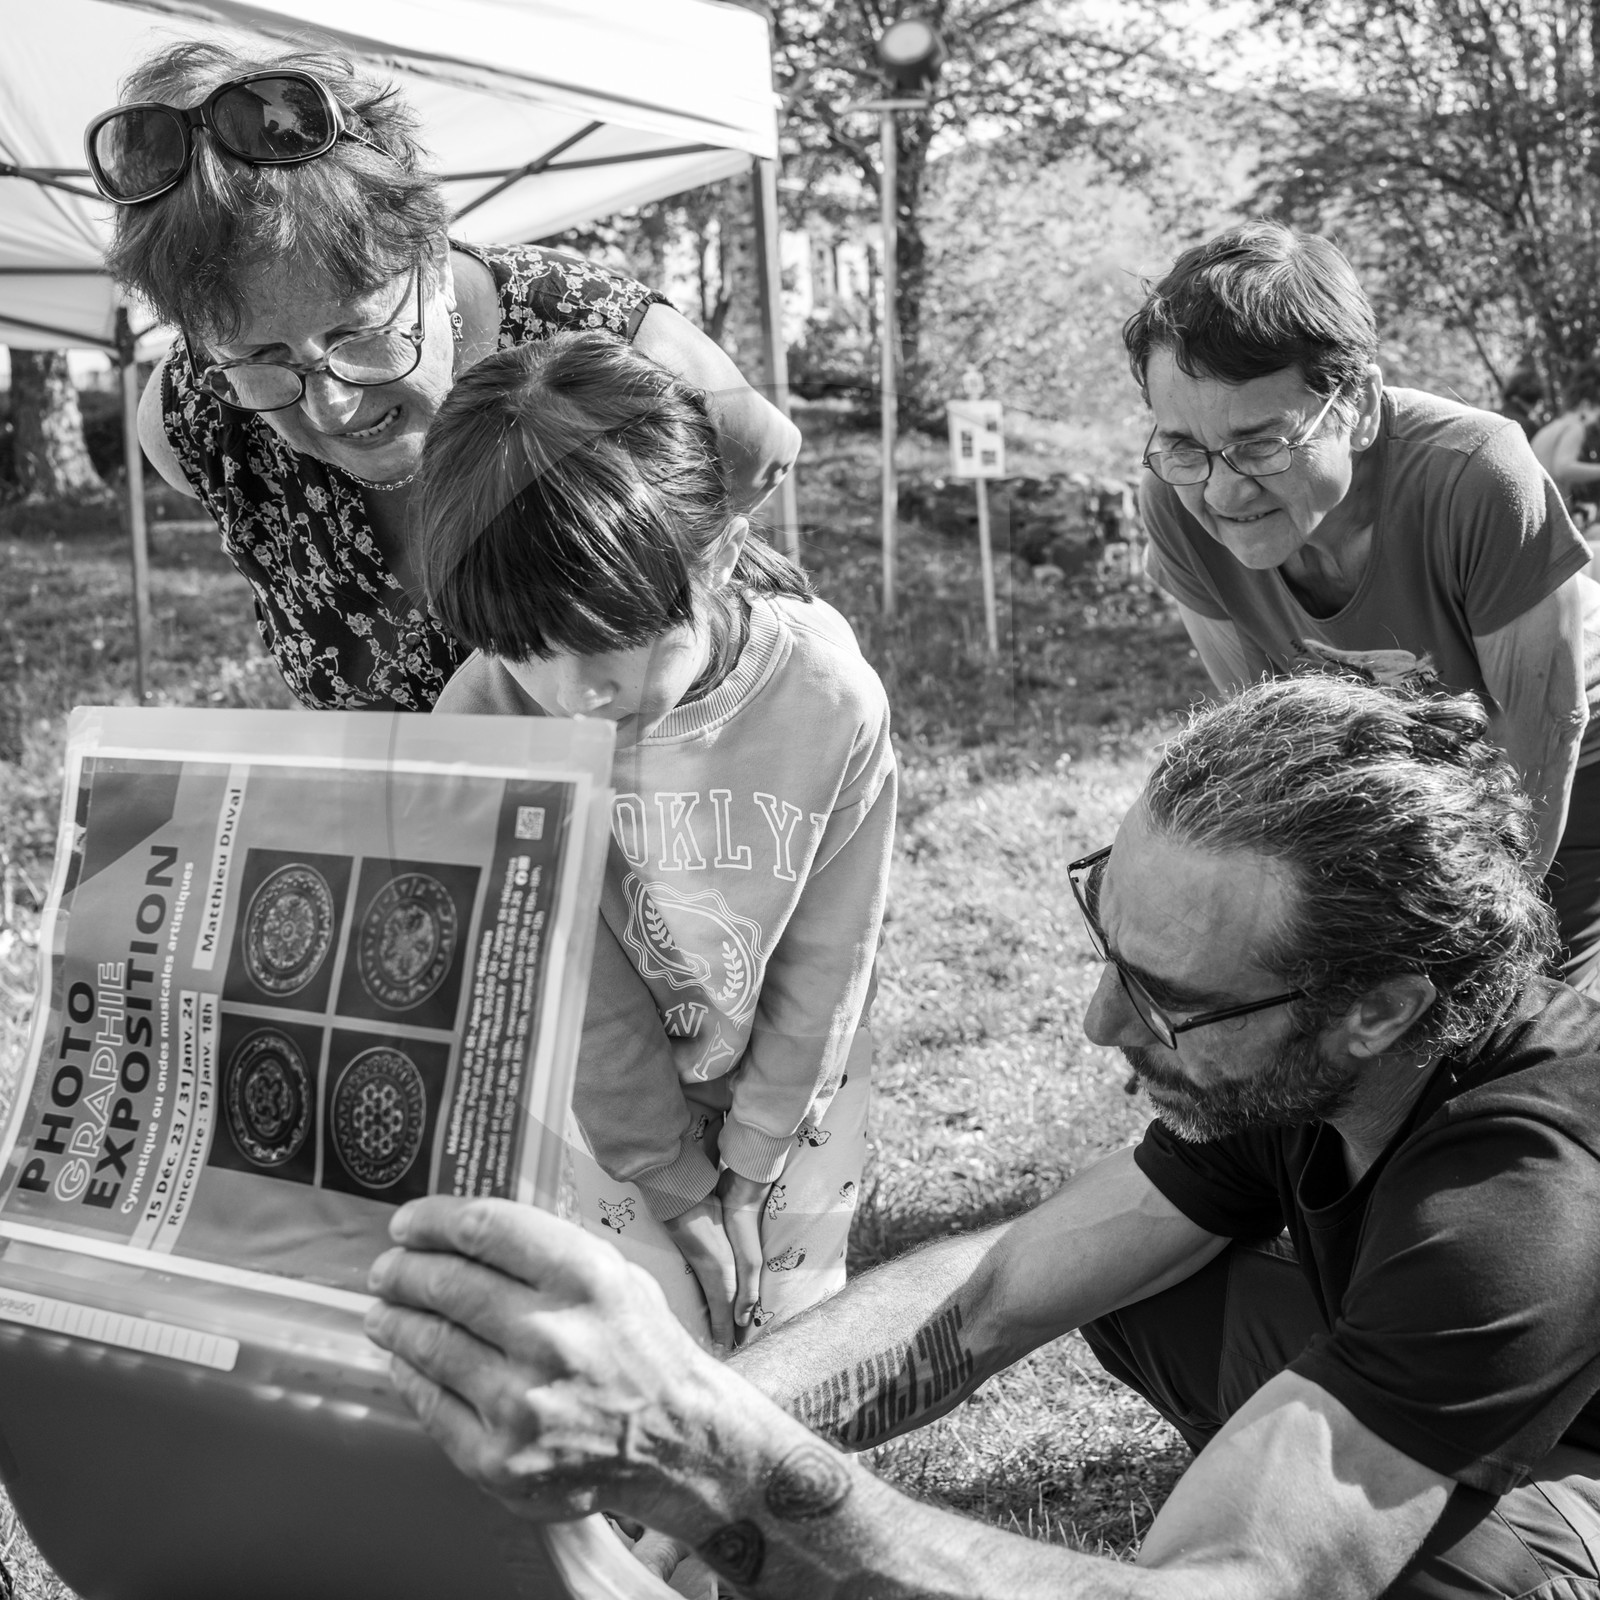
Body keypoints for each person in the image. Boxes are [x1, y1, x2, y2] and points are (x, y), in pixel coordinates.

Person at [366, 674, 1600, 1600]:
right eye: (1110, 952)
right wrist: (704, 1401)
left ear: (1378, 1008)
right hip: (1425, 1327)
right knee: (1133, 1277)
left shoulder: (1521, 1205)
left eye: (1168, 998)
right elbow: (992, 1289)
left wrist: (717, 1470)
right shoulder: (1310, 1059)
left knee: (1450, 1572)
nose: (1099, 1020)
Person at [417, 332, 895, 1351]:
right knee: (632, 1344)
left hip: (795, 1082)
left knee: (789, 1345)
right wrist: (675, 1182)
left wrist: (760, 1150)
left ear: (714, 553)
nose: (573, 691)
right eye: (527, 649)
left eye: (604, 639)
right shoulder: (485, 717)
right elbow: (569, 975)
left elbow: (830, 950)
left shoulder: (827, 698)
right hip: (607, 1108)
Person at [96, 42, 798, 712]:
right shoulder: (191, 422)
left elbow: (757, 454)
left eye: (359, 335)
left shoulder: (603, 336)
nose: (333, 406)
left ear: (431, 255)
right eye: (264, 360)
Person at [1122, 221, 1600, 992]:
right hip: (1400, 751)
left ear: (1362, 404)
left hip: (1561, 752)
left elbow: (1543, 722)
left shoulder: (1479, 474)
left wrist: (1481, 946)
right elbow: (1266, 727)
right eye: (1185, 446)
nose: (1223, 490)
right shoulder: (1175, 501)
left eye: (1261, 444)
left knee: (1514, 1009)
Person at [1529, 364, 1600, 520]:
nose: (1595, 419)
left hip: (1537, 513)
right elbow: (1563, 467)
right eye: (1597, 411)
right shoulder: (1576, 427)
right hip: (1553, 517)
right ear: (1585, 405)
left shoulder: (1548, 430)